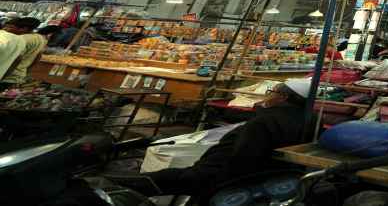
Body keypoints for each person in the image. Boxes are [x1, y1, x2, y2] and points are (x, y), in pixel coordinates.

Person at [111, 78, 310, 199]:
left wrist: (219, 182)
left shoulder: (264, 122)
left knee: (157, 180)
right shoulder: (306, 119)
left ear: (283, 98)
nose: (268, 96)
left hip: (219, 177)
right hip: (252, 174)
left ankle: (109, 188)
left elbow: (243, 157)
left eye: (272, 92)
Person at [1, 17, 48, 87]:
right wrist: (27, 70)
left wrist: (3, 76)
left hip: (8, 75)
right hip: (20, 74)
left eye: (10, 27)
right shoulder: (40, 38)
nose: (6, 29)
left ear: (24, 29)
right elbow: (38, 56)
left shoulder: (20, 39)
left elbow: (17, 59)